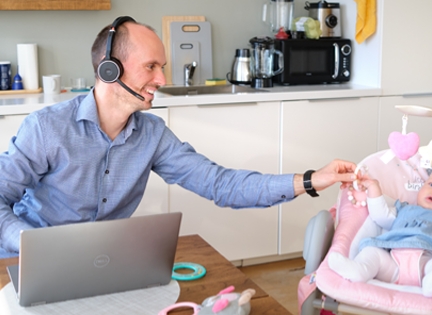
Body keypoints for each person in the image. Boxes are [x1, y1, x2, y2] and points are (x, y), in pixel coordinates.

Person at [0, 16, 357, 258]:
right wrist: (33, 245)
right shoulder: (47, 128)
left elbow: (221, 184)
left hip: (102, 259)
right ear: (110, 70)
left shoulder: (152, 135)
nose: (161, 79)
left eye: (162, 67)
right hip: (27, 259)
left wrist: (312, 179)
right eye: (151, 67)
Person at [328, 167, 432, 297]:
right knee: (372, 252)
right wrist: (374, 188)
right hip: (394, 265)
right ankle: (360, 270)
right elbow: (380, 216)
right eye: (431, 184)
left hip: (428, 263)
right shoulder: (404, 210)